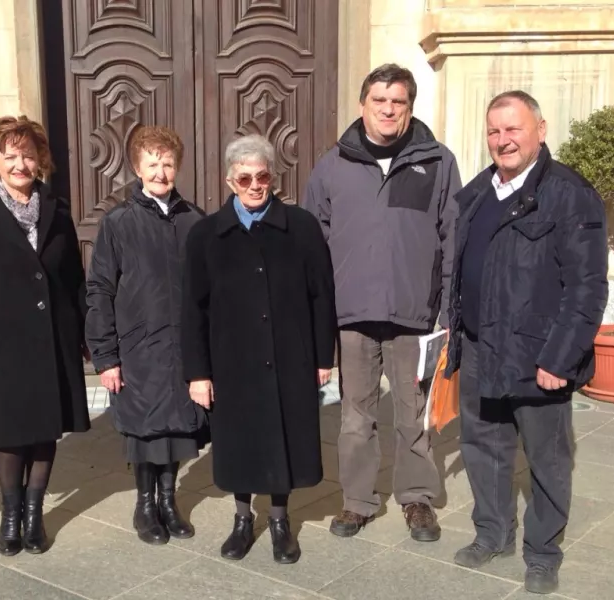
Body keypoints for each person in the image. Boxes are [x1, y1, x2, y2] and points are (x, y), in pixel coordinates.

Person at [446, 91, 607, 595]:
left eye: (513, 129)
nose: (502, 140)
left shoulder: (568, 193)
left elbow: (587, 287)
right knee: (483, 448)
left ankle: (542, 552)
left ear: (539, 128)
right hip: (478, 347)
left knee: (546, 460)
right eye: (494, 131)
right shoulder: (478, 191)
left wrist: (561, 357)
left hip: (537, 356)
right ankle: (492, 533)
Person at [302, 63, 461, 542]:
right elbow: (313, 244)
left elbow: (453, 237)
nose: (388, 110)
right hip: (352, 317)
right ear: (362, 105)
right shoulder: (333, 165)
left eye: (398, 103)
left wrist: (449, 312)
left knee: (413, 412)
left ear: (409, 109)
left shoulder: (438, 162)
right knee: (356, 415)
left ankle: (416, 498)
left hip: (414, 316)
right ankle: (357, 501)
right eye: (380, 101)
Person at [182, 134, 336, 564]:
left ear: (273, 177)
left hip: (290, 357)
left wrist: (324, 358)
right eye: (245, 177)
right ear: (230, 181)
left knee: (284, 437)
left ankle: (282, 521)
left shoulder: (301, 227)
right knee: (240, 441)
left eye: (262, 175)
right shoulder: (206, 235)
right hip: (232, 363)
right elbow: (192, 308)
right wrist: (197, 373)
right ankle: (243, 518)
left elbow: (321, 295)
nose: (254, 184)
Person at [0, 116, 91, 556]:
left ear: (40, 160)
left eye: (28, 155)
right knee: (11, 432)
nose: (20, 163)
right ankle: (10, 515)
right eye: (10, 155)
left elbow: (73, 277)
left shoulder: (58, 208)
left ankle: (35, 516)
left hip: (54, 337)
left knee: (45, 430)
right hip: (3, 342)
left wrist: (85, 334)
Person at [85, 126, 208, 546]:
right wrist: (105, 356)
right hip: (137, 346)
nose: (160, 172)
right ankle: (144, 504)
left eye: (167, 163)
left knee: (177, 428)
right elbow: (99, 288)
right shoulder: (119, 222)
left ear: (178, 167)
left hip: (181, 345)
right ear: (137, 168)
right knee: (144, 430)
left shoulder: (195, 221)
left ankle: (169, 502)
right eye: (152, 164)